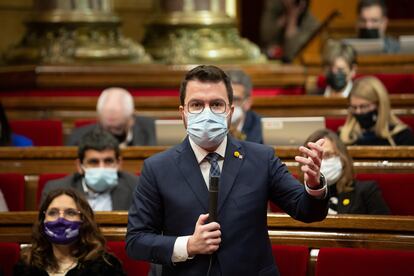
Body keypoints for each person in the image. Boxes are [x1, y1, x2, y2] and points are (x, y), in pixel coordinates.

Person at [126, 65, 328, 275]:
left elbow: (306, 211)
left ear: (230, 111)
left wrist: (314, 185)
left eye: (216, 104)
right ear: (183, 113)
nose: (207, 113)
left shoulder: (261, 158)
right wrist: (188, 245)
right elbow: (136, 241)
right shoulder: (157, 168)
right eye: (196, 105)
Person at [13, 188, 125, 275]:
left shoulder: (105, 266)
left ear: (83, 220)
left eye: (70, 213)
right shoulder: (27, 265)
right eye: (53, 213)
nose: (60, 220)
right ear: (43, 220)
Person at [42, 128, 138, 210]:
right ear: (79, 166)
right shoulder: (56, 190)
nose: (102, 167)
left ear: (118, 164)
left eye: (108, 161)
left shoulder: (136, 187)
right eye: (94, 162)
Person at [305, 129, 390, 214]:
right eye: (315, 158)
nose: (321, 162)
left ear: (342, 157)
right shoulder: (297, 195)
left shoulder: (366, 191)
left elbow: (383, 224)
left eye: (328, 155)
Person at [66, 87, 156, 147]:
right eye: (108, 127)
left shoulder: (154, 131)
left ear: (131, 119)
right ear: (99, 118)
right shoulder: (79, 139)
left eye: (119, 127)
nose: (113, 132)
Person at [339, 76, 414, 146]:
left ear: (379, 105)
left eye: (364, 106)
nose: (358, 112)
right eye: (354, 107)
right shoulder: (344, 137)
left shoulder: (402, 136)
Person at [225, 69, 263, 143]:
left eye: (235, 99)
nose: (229, 105)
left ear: (247, 103)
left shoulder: (261, 129)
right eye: (224, 99)